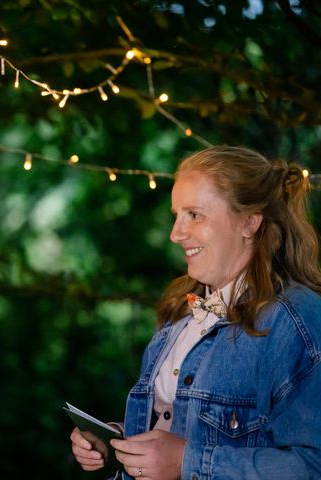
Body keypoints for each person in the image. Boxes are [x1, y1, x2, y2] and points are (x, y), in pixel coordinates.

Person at [70, 146, 321, 479]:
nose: (175, 234)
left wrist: (187, 463)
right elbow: (178, 424)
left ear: (249, 222)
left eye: (194, 215)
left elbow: (312, 465)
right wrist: (117, 443)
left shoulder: (296, 320)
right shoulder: (182, 313)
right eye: (176, 215)